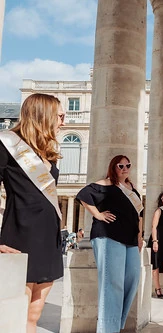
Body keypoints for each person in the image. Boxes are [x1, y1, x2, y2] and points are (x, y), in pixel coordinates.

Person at [0, 93, 65, 333]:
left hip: (49, 239)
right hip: (21, 237)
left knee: (33, 317)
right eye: (60, 115)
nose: (63, 122)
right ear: (43, 115)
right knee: (14, 318)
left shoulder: (46, 151)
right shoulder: (7, 144)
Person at [76, 155, 144, 333]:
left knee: (133, 278)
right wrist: (97, 215)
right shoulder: (106, 184)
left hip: (130, 238)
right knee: (112, 283)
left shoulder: (132, 188)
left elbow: (139, 214)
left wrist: (140, 235)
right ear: (113, 167)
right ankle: (108, 329)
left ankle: (114, 324)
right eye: (120, 166)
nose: (124, 168)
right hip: (109, 235)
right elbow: (83, 195)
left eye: (127, 165)